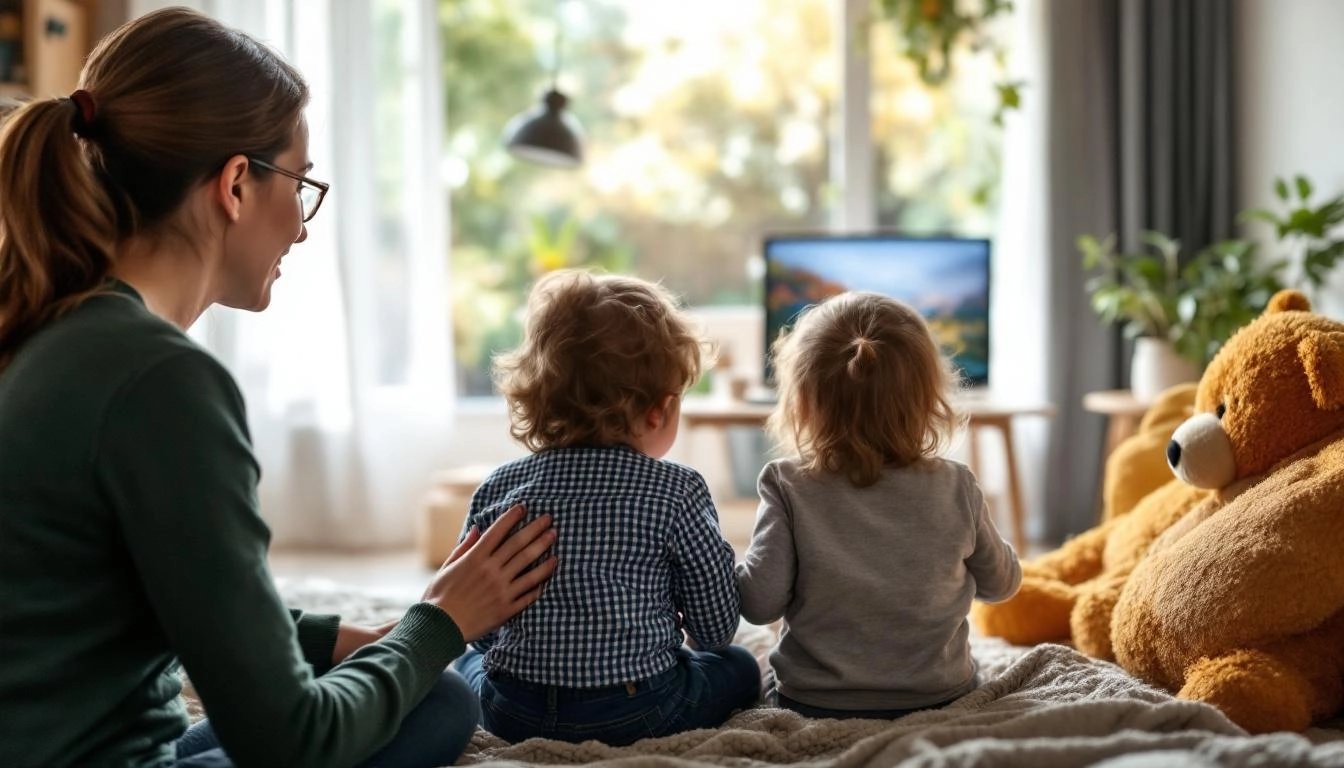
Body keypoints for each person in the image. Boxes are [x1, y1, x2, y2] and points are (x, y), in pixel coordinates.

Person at [0, 9, 557, 768]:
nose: (301, 225)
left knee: (405, 679)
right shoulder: (159, 378)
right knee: (439, 698)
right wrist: (440, 623)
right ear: (235, 184)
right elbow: (296, 742)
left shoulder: (50, 328)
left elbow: (168, 590)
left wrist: (340, 639)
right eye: (300, 183)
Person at [452, 269, 760, 745]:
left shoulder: (499, 488)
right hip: (641, 711)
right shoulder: (677, 491)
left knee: (465, 659)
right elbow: (716, 629)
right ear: (659, 410)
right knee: (739, 665)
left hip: (514, 711)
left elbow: (480, 628)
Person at [736, 291, 1021, 720]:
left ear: (802, 404)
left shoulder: (787, 484)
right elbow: (1002, 585)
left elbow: (759, 605)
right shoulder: (956, 484)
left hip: (814, 701)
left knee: (738, 662)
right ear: (928, 400)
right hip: (940, 694)